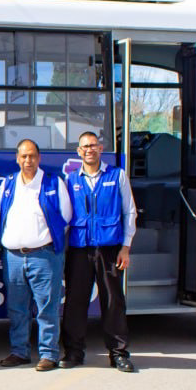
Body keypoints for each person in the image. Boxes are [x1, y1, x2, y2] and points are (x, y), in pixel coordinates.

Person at [61, 131, 138, 373]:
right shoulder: (71, 180)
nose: (89, 150)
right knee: (75, 302)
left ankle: (118, 354)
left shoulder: (117, 176)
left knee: (113, 302)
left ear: (101, 148)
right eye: (84, 146)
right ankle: (74, 352)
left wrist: (126, 247)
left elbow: (130, 211)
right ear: (78, 151)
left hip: (110, 249)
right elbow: (63, 219)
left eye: (93, 145)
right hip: (79, 250)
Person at [0, 139, 73, 372]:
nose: (28, 160)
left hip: (44, 256)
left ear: (39, 158)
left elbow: (66, 218)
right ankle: (19, 352)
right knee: (17, 309)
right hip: (13, 257)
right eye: (23, 156)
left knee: (46, 308)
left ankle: (48, 354)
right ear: (17, 158)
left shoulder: (53, 182)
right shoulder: (8, 184)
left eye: (32, 156)